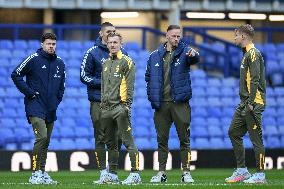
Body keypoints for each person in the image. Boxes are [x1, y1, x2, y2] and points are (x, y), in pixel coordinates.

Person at [145, 25, 199, 183]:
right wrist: (152, 97)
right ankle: (161, 173)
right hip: (161, 104)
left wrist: (194, 55)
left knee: (184, 139)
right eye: (174, 36)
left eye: (178, 36)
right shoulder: (154, 56)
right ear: (167, 35)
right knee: (162, 140)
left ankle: (186, 172)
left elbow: (195, 58)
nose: (177, 39)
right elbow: (148, 77)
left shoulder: (185, 52)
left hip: (179, 104)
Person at [11, 33, 65, 184]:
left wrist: (57, 100)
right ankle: (35, 173)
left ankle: (42, 172)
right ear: (42, 44)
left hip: (51, 108)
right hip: (35, 106)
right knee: (41, 137)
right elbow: (16, 74)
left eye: (53, 44)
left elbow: (62, 86)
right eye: (48, 44)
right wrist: (29, 93)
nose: (51, 46)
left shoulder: (60, 63)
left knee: (46, 141)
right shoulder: (33, 58)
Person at [80, 22, 127, 183]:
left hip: (117, 102)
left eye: (114, 31)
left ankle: (112, 172)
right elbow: (83, 76)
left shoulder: (122, 53)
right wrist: (103, 83)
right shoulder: (92, 53)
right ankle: (102, 172)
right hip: (98, 102)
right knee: (100, 137)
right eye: (108, 32)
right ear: (101, 34)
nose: (111, 34)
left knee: (118, 137)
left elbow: (128, 76)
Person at [225, 24, 266, 184]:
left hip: (253, 103)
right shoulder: (246, 53)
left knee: (256, 140)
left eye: (236, 35)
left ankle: (261, 175)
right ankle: (242, 170)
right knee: (233, 132)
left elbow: (255, 79)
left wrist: (250, 102)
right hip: (244, 103)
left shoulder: (253, 54)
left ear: (243, 36)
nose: (234, 38)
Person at [100, 33, 141, 185]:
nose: (112, 45)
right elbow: (103, 87)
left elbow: (129, 87)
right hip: (106, 109)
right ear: (107, 44)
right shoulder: (105, 63)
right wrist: (102, 105)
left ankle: (135, 173)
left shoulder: (127, 62)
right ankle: (113, 174)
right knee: (111, 144)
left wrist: (127, 106)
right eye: (110, 42)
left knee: (128, 142)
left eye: (115, 42)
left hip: (120, 108)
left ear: (120, 43)